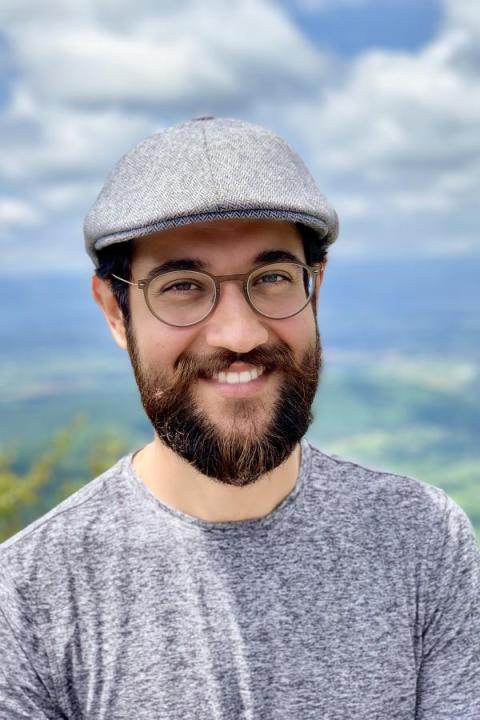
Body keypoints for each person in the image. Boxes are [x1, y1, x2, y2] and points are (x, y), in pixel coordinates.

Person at [0, 117, 478, 719]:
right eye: (183, 286)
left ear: (316, 288)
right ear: (114, 312)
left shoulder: (423, 540)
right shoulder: (26, 601)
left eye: (273, 278)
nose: (239, 333)